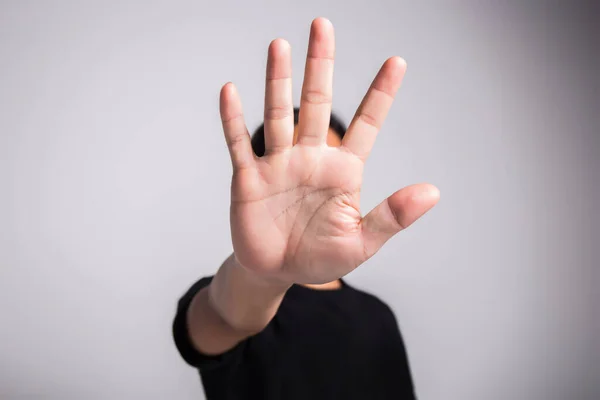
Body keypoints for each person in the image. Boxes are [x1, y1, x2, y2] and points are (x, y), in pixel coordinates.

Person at [172, 17, 440, 400]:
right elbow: (219, 319)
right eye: (294, 171)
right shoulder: (235, 293)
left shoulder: (377, 318)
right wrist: (264, 275)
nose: (310, 187)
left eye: (327, 166)